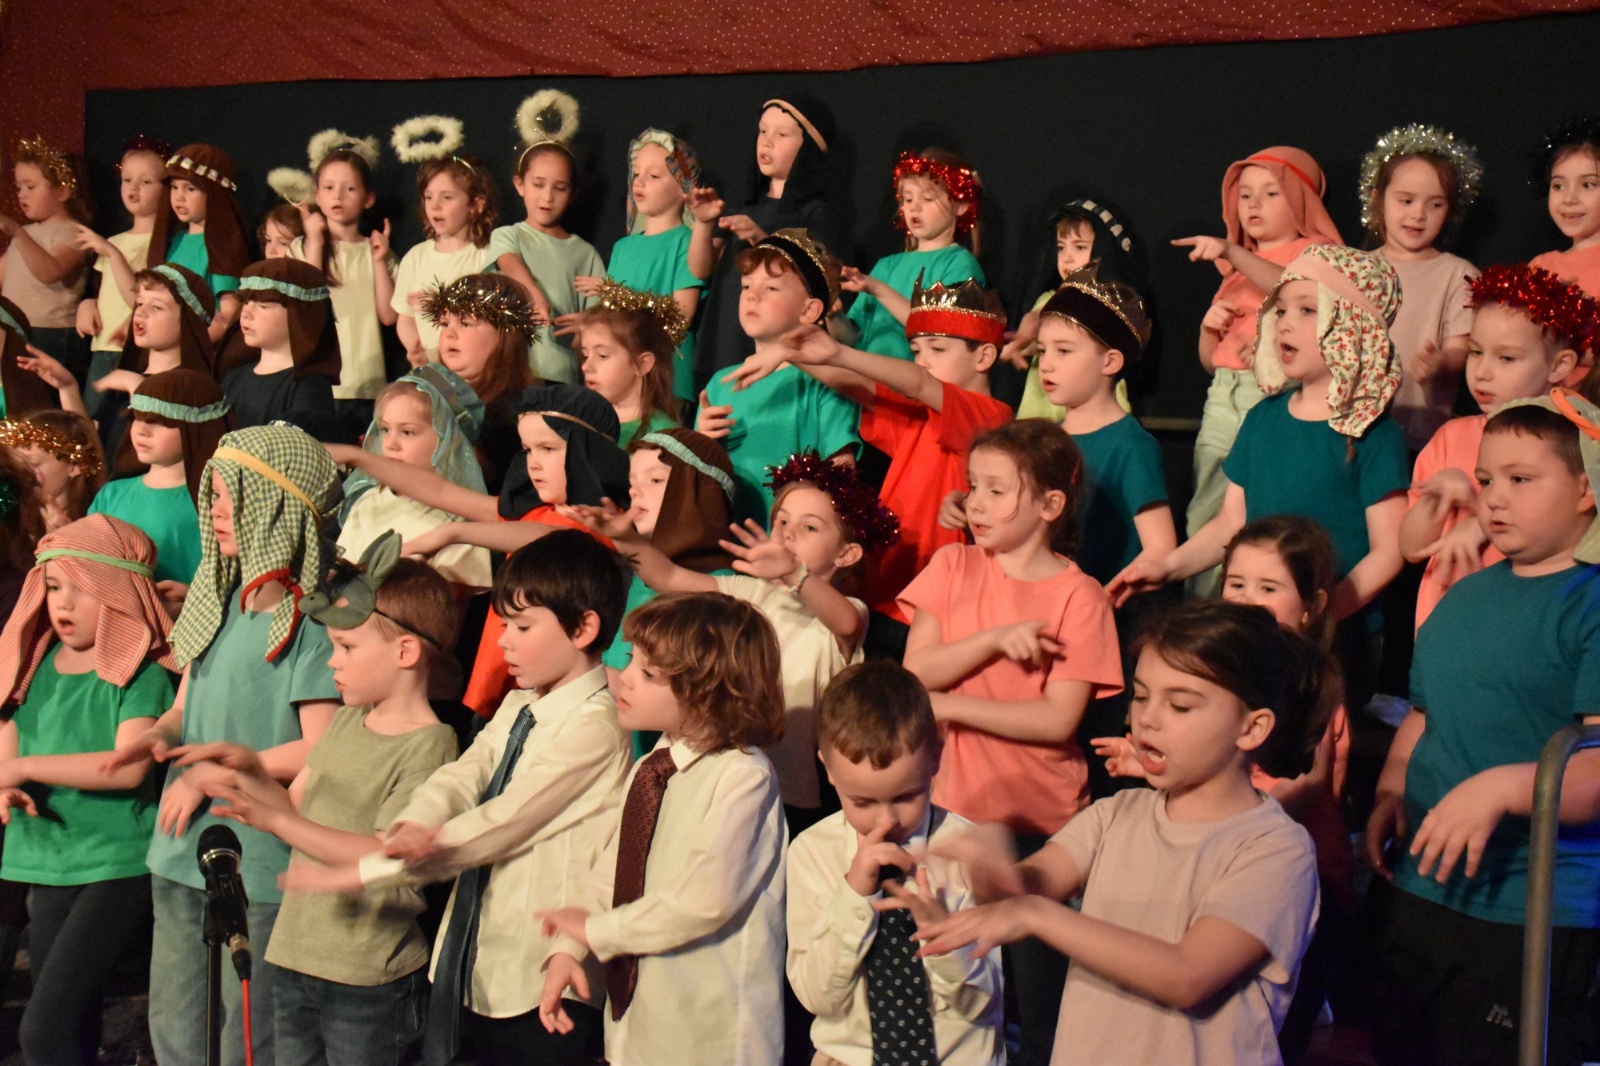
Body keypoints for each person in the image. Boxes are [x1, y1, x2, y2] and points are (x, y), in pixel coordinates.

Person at [919, 599, 1327, 1066]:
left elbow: (1187, 975)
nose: (1147, 718)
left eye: (1180, 704)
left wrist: (1033, 913)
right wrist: (991, 863)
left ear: (1252, 728)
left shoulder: (1275, 849)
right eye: (1141, 696)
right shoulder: (1115, 814)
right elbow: (1026, 889)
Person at [1363, 392, 1600, 1066]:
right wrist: (1390, 791)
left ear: (1586, 488)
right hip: (1423, 891)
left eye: (1521, 480)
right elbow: (1425, 713)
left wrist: (1499, 789)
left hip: (1532, 908)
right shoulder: (1465, 593)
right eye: (1488, 479)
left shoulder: (1589, 602)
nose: (1495, 498)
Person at [105, 422, 342, 1066]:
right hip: (182, 843)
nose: (215, 510)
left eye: (231, 497)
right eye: (212, 495)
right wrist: (155, 737)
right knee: (178, 1026)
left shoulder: (312, 623)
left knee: (250, 1034)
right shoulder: (219, 600)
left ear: (278, 506)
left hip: (257, 860)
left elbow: (320, 748)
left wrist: (222, 773)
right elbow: (186, 708)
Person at [899, 418, 1122, 1062]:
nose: (975, 503)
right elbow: (918, 669)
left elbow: (1057, 720)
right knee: (955, 995)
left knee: (1039, 1003)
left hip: (1035, 822)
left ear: (1050, 505)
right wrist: (995, 640)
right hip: (950, 813)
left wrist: (947, 706)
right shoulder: (953, 563)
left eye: (997, 491)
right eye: (974, 486)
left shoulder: (1079, 596)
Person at [192, 538, 460, 1066]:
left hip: (365, 978)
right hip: (296, 956)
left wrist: (277, 821)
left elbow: (386, 854)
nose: (332, 661)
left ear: (405, 652)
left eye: (348, 647)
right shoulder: (346, 720)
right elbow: (295, 809)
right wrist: (249, 772)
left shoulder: (430, 744)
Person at [1111, 244, 1410, 717]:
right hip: (1257, 631)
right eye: (1282, 309)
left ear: (1351, 326)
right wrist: (1168, 567)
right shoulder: (1263, 419)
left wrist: (1322, 615)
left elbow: (1390, 550)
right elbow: (1232, 522)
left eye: (1308, 310)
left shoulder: (1372, 434)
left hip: (1337, 637)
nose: (1285, 323)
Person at [567, 449, 897, 821]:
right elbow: (669, 578)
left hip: (793, 792)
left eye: (809, 528)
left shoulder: (847, 610)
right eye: (781, 521)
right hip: (728, 772)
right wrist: (627, 539)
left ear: (847, 554)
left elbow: (847, 624)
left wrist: (795, 573)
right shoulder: (752, 592)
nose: (787, 534)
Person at [538, 591, 789, 1066]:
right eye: (631, 660)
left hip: (707, 1042)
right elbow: (614, 873)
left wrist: (598, 930)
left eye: (649, 674)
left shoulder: (743, 777)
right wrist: (570, 948)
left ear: (711, 692)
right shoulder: (652, 766)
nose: (624, 677)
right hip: (638, 1032)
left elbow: (706, 900)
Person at [725, 274, 1012, 660]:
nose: (923, 360)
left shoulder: (992, 417)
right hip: (884, 591)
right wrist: (792, 353)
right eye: (917, 349)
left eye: (938, 349)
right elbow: (854, 384)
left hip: (934, 606)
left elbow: (916, 381)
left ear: (984, 357)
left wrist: (839, 352)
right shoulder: (920, 416)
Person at [0, 515, 178, 1066]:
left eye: (84, 589)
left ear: (120, 595)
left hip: (114, 863)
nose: (65, 603)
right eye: (55, 587)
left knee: (43, 1031)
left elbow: (126, 768)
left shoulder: (139, 674)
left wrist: (25, 768)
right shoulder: (33, 666)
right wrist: (6, 784)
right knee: (70, 1029)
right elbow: (6, 750)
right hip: (45, 857)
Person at [787, 659, 1005, 1066]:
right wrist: (853, 895)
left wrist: (944, 937)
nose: (886, 820)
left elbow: (983, 1004)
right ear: (828, 770)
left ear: (935, 757)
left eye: (906, 797)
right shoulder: (812, 853)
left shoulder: (967, 851)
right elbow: (817, 996)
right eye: (863, 802)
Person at [1175, 146, 1342, 597]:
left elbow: (1293, 288)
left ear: (1301, 201)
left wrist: (1232, 251)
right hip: (1224, 393)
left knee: (1256, 510)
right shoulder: (1233, 270)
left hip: (1271, 396)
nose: (1253, 204)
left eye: (1270, 193)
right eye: (1245, 194)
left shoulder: (1317, 254)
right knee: (1206, 507)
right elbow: (1212, 361)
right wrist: (1208, 332)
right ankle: (1204, 608)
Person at [1400, 263, 1600, 629]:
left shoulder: (1575, 438)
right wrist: (1436, 500)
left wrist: (1481, 522)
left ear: (1559, 365)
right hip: (1446, 624)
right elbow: (1411, 548)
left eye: (1506, 358)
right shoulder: (1451, 437)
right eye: (1476, 352)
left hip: (1526, 624)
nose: (1482, 372)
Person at [698, 229, 860, 522]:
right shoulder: (720, 385)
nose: (752, 296)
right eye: (746, 286)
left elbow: (841, 474)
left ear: (809, 310)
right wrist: (701, 443)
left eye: (771, 288)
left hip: (791, 540)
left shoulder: (825, 383)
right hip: (729, 537)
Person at [693, 95, 835, 382]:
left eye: (782, 135)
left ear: (807, 147)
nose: (767, 142)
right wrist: (703, 223)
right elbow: (700, 269)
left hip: (774, 345)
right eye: (763, 131)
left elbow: (818, 276)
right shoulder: (744, 208)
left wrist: (761, 239)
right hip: (725, 333)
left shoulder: (813, 212)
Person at [1359, 124, 1484, 451]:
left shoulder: (1458, 275)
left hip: (1420, 434)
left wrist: (1439, 362)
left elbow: (1461, 347)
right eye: (1406, 200)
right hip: (1356, 428)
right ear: (1378, 199)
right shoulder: (1356, 268)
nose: (1418, 214)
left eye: (1435, 205)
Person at [337, 365, 492, 589]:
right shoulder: (368, 502)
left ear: (448, 440)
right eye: (385, 429)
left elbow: (449, 601)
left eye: (407, 432)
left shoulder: (460, 519)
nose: (390, 444)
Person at [584, 128, 706, 408]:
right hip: (622, 380)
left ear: (683, 187)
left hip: (666, 377)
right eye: (636, 174)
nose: (639, 182)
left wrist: (616, 294)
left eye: (653, 176)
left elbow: (681, 315)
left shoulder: (685, 242)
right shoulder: (623, 247)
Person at [89, 368, 231, 593]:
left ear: (194, 427)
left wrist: (191, 595)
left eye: (158, 421)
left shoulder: (214, 501)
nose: (141, 430)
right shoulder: (111, 493)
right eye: (136, 417)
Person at [1002, 198, 1145, 422]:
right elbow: (1035, 318)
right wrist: (1024, 339)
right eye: (1061, 247)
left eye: (1080, 247)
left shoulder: (1111, 305)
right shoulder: (1051, 299)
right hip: (1047, 413)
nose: (1067, 257)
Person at [489, 109, 604, 384]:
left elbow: (598, 312)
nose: (547, 197)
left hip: (562, 373)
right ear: (520, 185)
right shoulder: (508, 235)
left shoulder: (584, 253)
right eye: (538, 184)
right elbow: (509, 262)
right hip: (511, 374)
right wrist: (534, 294)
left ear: (572, 193)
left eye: (559, 188)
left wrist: (586, 324)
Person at [841, 150, 986, 361]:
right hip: (867, 378)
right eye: (908, 199)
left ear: (960, 205)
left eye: (927, 198)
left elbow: (936, 333)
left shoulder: (959, 264)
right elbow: (852, 337)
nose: (914, 208)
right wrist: (833, 316)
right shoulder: (886, 266)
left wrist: (878, 290)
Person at [291, 145, 396, 431]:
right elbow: (305, 304)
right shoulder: (302, 247)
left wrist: (379, 260)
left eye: (349, 188)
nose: (337, 196)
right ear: (317, 195)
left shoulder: (376, 250)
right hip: (318, 381)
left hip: (366, 381)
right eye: (329, 187)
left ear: (368, 198)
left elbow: (389, 315)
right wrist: (315, 243)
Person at [71, 136, 169, 417]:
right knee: (92, 422)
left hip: (134, 349)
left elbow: (138, 297)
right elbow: (102, 290)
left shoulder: (163, 244)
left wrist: (112, 254)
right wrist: (87, 304)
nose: (133, 188)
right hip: (104, 346)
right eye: (127, 180)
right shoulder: (115, 241)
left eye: (146, 181)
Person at [418, 272, 540, 493]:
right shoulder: (425, 390)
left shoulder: (514, 408)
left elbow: (474, 476)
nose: (449, 334)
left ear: (505, 335)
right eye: (445, 323)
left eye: (465, 323)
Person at [216, 259, 342, 441]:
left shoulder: (309, 386)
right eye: (246, 302)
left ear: (299, 316)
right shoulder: (233, 379)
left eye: (263, 306)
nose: (246, 313)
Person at [0, 137, 91, 384]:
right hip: (14, 330)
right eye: (19, 188)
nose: (22, 195)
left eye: (30, 187)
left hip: (51, 334)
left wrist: (16, 232)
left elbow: (51, 271)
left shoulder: (72, 231)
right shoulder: (25, 233)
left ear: (62, 191)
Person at [392, 154, 496, 366]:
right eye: (429, 197)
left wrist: (439, 304)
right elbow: (406, 318)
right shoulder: (416, 257)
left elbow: (492, 316)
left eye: (447, 198)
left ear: (476, 205)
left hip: (476, 366)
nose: (435, 206)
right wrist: (416, 349)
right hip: (432, 367)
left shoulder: (487, 255)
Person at [147, 144, 251, 341]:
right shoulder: (174, 241)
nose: (179, 197)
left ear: (213, 194)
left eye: (190, 188)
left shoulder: (220, 245)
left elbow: (228, 315)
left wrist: (187, 347)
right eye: (174, 187)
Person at [573, 280, 682, 445]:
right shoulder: (583, 422)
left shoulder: (664, 434)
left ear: (643, 364)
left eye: (602, 356)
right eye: (585, 355)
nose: (586, 366)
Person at [0, 410, 105, 531]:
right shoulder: (10, 520)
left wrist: (70, 536)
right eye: (16, 465)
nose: (21, 473)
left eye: (33, 464)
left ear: (74, 466)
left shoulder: (99, 521)